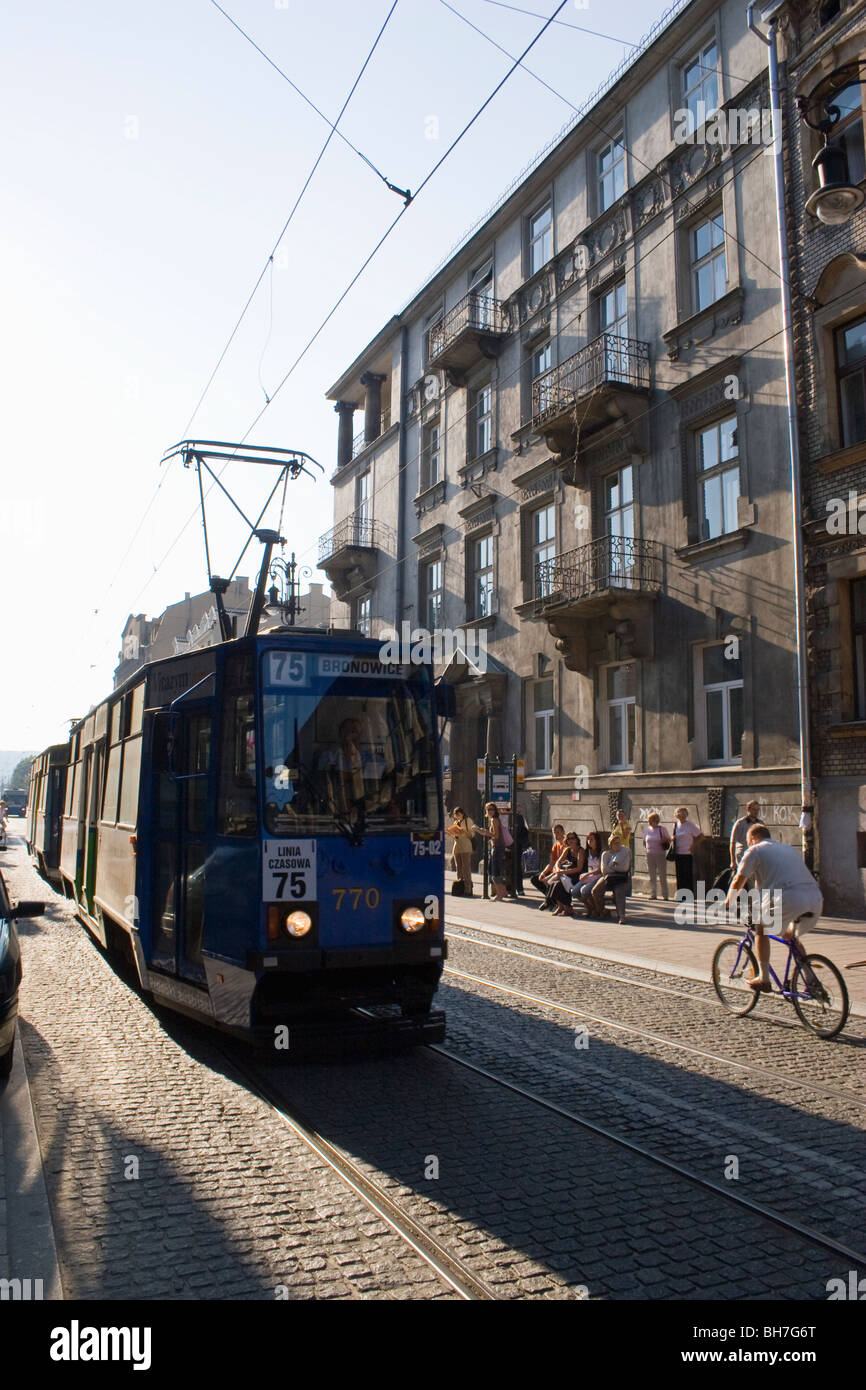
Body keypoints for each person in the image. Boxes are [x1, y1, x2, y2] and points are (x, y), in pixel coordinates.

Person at [725, 823, 823, 991]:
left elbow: (739, 879)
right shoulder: (787, 849)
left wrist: (728, 902)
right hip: (815, 897)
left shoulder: (755, 850)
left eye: (749, 841)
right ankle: (811, 980)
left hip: (788, 897)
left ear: (753, 838)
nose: (749, 845)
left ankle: (763, 978)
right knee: (790, 936)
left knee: (761, 929)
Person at [589, 832, 632, 920]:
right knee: (595, 891)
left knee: (619, 892)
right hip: (607, 877)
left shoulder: (624, 852)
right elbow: (604, 870)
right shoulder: (606, 854)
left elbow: (625, 868)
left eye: (619, 842)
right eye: (615, 843)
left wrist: (612, 868)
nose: (618, 845)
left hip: (620, 878)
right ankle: (603, 911)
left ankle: (621, 916)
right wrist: (616, 868)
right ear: (610, 844)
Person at [548, 833, 585, 916]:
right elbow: (558, 861)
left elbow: (579, 868)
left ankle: (567, 907)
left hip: (577, 876)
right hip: (567, 875)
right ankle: (561, 906)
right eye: (568, 839)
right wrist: (558, 869)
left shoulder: (580, 851)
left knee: (558, 885)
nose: (570, 840)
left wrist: (562, 872)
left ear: (576, 840)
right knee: (551, 882)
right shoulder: (567, 850)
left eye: (572, 838)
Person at [531, 824, 565, 910]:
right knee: (535, 879)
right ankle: (551, 900)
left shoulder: (566, 845)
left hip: (561, 871)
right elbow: (551, 862)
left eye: (558, 832)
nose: (556, 835)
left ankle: (549, 901)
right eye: (554, 833)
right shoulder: (556, 845)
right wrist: (543, 872)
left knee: (548, 880)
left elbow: (563, 863)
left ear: (563, 832)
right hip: (554, 870)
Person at [446, 806, 479, 897]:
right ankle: (461, 886)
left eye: (459, 815)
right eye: (456, 815)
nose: (457, 817)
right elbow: (455, 836)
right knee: (459, 867)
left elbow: (472, 834)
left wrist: (464, 831)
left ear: (462, 813)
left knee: (466, 868)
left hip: (466, 846)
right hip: (457, 847)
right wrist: (451, 834)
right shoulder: (456, 822)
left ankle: (468, 888)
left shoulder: (468, 820)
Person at [670, 807, 703, 895]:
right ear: (676, 815)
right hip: (678, 853)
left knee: (687, 875)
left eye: (684, 814)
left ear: (686, 815)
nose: (681, 816)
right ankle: (681, 895)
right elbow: (674, 837)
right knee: (679, 875)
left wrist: (693, 846)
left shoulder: (690, 825)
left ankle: (688, 895)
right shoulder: (675, 825)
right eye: (679, 814)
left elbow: (701, 836)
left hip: (687, 853)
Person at [484, 802, 509, 903]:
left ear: (495, 811)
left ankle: (500, 894)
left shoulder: (494, 820)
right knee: (491, 870)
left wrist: (484, 832)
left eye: (492, 809)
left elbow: (496, 835)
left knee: (495, 871)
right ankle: (504, 891)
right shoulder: (492, 820)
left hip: (498, 848)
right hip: (497, 847)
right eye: (488, 809)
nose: (490, 811)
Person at [729, 799, 765, 868]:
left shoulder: (761, 823)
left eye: (758, 810)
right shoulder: (740, 823)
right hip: (742, 857)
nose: (756, 812)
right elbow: (732, 843)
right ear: (748, 809)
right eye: (754, 809)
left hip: (756, 857)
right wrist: (732, 861)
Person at [643, 812, 670, 900]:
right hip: (649, 854)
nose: (649, 822)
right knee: (652, 875)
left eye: (651, 821)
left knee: (662, 875)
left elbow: (669, 839)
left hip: (660, 854)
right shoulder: (647, 830)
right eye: (649, 821)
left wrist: (664, 840)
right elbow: (644, 841)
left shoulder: (662, 829)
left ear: (656, 821)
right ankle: (653, 894)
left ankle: (665, 895)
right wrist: (646, 849)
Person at [576, 830, 604, 912]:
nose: (589, 841)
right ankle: (591, 907)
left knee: (584, 891)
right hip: (588, 877)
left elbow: (600, 870)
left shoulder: (602, 853)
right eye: (588, 839)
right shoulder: (586, 852)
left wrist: (587, 874)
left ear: (597, 841)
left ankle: (598, 909)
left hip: (598, 877)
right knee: (574, 891)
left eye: (591, 839)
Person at [508, 804, 530, 897]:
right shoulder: (517, 817)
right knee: (514, 867)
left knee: (514, 867)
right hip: (515, 845)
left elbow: (525, 830)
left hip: (514, 845)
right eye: (517, 806)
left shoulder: (519, 818)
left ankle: (515, 888)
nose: (520, 808)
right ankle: (515, 888)